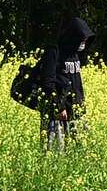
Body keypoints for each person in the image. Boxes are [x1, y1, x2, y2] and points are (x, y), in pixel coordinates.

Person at [35, 16, 94, 150]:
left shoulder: (74, 55)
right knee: (55, 154)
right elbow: (47, 82)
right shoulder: (54, 52)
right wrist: (58, 106)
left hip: (75, 112)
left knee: (80, 153)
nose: (82, 45)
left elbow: (76, 83)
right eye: (81, 41)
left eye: (84, 41)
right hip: (57, 114)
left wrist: (80, 105)